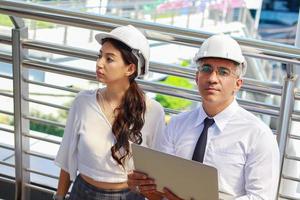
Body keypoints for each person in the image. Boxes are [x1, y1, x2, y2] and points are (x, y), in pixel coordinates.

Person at [128, 34, 280, 200]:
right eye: (206, 69)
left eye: (223, 72)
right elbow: (161, 190)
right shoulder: (177, 125)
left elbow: (262, 197)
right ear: (197, 77)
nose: (213, 79)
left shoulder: (258, 135)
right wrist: (146, 188)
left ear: (238, 84)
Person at [53, 25, 165, 200]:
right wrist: (59, 197)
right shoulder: (82, 102)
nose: (99, 64)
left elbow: (158, 174)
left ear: (130, 69)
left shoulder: (152, 111)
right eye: (100, 56)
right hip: (82, 193)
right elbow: (67, 158)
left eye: (109, 59)